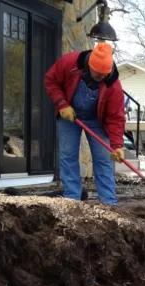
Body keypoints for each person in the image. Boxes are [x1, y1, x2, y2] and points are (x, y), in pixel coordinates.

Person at [44, 42, 125, 206]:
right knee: (68, 155)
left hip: (97, 119)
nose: (101, 77)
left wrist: (117, 145)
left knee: (103, 159)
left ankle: (109, 203)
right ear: (89, 64)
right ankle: (72, 200)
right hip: (69, 114)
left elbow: (116, 117)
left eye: (105, 74)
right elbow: (50, 80)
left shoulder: (113, 85)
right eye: (98, 73)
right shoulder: (70, 63)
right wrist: (61, 103)